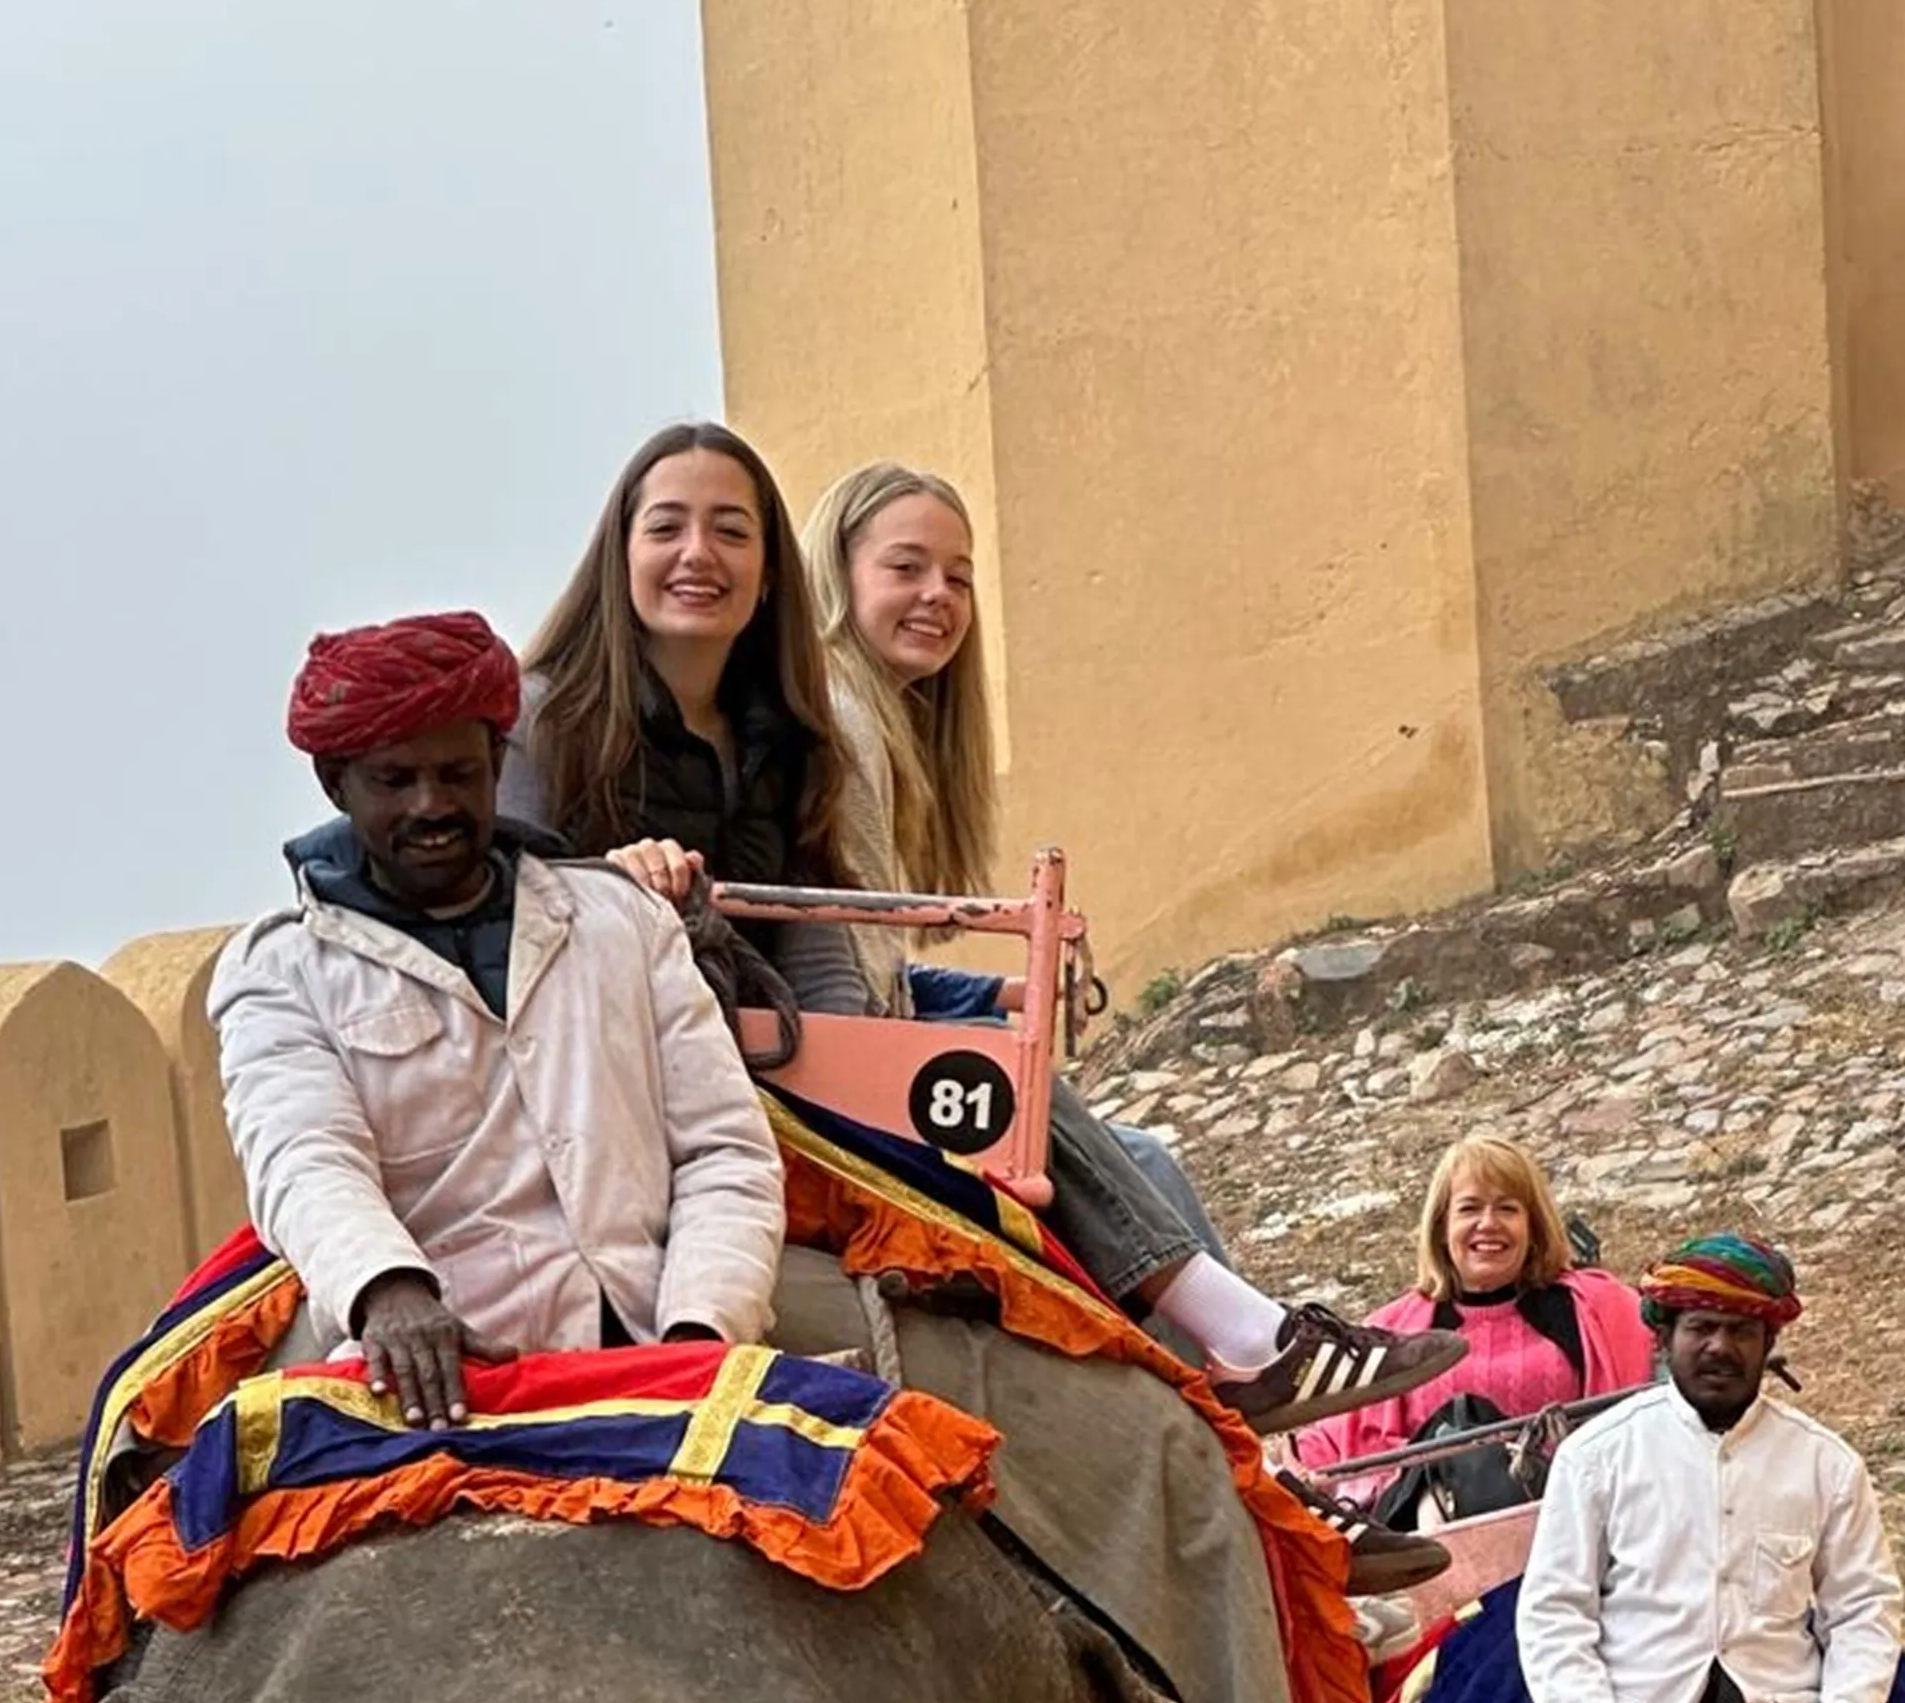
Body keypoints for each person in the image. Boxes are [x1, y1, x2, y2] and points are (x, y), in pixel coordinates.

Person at [513, 430, 1461, 1440]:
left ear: (768, 570)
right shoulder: (624, 719)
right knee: (1039, 1120)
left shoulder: (776, 740)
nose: (699, 553)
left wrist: (949, 1011)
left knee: (1132, 1157)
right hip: (656, 1080)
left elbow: (829, 951)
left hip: (773, 1043)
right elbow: (520, 899)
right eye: (669, 527)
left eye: (731, 531)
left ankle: (1258, 1417)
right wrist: (613, 890)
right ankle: (1256, 1363)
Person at [211, 609, 787, 1429]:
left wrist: (700, 1328)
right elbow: (304, 1159)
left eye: (457, 774)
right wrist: (390, 1292)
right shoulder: (278, 971)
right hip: (436, 1378)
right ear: (336, 785)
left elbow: (723, 1149)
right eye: (395, 780)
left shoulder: (623, 922)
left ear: (496, 764)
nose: (431, 806)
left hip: (662, 1347)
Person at [1517, 1230, 1904, 1703]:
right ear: (1664, 1338)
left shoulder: (1828, 1464)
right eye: (1701, 1327)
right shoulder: (1595, 1456)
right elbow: (1556, 1610)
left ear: (1769, 1344)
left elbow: (1863, 1606)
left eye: (1741, 1331)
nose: (1720, 1347)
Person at [1287, 1135, 1656, 1524]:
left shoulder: (1593, 1307)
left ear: (1533, 1226)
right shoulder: (1391, 1332)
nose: (1488, 1224)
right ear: (1443, 1227)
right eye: (1470, 1208)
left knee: (1468, 1423)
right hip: (1423, 1518)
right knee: (1454, 1428)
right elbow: (1330, 1442)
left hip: (1568, 1510)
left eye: (1508, 1209)